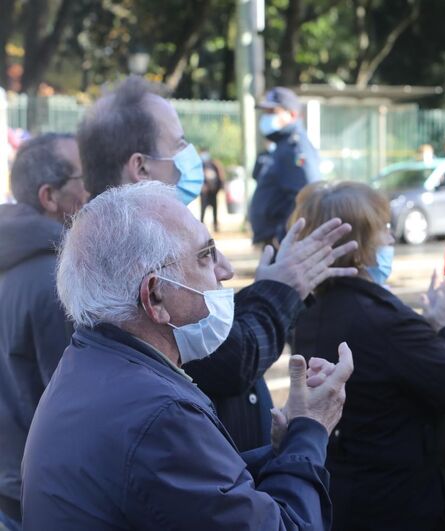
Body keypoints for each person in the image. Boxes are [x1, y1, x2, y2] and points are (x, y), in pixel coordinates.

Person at [21, 181, 353, 530]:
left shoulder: (93, 361)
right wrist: (310, 430)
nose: (226, 270)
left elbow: (200, 493)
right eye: (205, 255)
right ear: (155, 296)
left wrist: (282, 450)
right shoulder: (158, 414)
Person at [77, 76, 356, 452]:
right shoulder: (129, 248)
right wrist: (280, 290)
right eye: (179, 144)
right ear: (140, 167)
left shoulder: (111, 232)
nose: (225, 270)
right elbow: (229, 359)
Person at [292, 181, 445, 531]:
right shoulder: (382, 321)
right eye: (383, 228)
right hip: (403, 502)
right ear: (360, 245)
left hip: (350, 494)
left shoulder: (310, 309)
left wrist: (426, 327)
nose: (391, 238)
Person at [0, 134, 89, 530]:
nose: (91, 190)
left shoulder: (15, 257)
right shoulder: (57, 280)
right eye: (83, 178)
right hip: (49, 492)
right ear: (49, 196)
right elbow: (75, 405)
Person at [250, 87, 321, 248]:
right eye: (266, 112)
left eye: (273, 112)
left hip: (283, 244)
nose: (266, 117)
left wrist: (284, 235)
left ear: (292, 115)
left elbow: (309, 195)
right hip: (276, 242)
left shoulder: (295, 147)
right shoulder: (282, 145)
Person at [199, 147, 225, 232]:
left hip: (213, 192)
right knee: (203, 209)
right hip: (204, 192)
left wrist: (219, 188)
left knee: (215, 209)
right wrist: (202, 186)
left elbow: (220, 176)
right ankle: (201, 225)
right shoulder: (199, 165)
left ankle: (215, 225)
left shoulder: (213, 164)